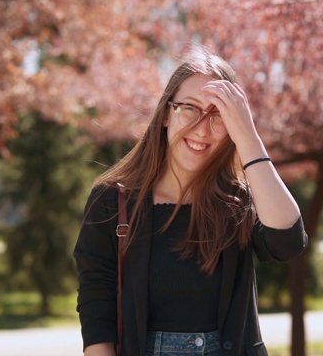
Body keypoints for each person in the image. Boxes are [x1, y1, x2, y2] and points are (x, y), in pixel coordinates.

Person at [73, 44, 308, 356]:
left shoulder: (238, 201)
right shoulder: (111, 200)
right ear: (167, 113)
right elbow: (96, 305)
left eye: (219, 116)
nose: (202, 129)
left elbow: (288, 242)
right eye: (190, 108)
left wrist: (248, 138)